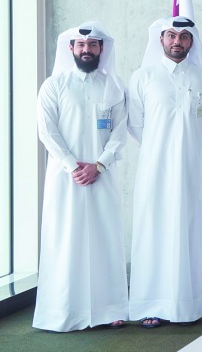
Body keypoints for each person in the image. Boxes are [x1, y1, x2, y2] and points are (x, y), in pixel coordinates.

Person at [33, 22, 129, 332]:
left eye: (92, 45)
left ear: (102, 49)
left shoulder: (113, 87)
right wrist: (73, 165)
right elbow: (47, 131)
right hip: (66, 178)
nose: (86, 50)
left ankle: (109, 310)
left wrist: (98, 165)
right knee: (66, 240)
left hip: (102, 175)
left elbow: (119, 131)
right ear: (71, 49)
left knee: (104, 240)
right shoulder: (54, 85)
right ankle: (63, 312)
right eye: (80, 45)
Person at [127, 17, 202, 328]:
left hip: (191, 169)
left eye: (184, 36)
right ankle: (150, 304)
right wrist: (161, 150)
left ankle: (187, 307)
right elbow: (136, 124)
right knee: (153, 232)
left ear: (191, 42)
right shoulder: (143, 77)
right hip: (154, 170)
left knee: (189, 232)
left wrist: (185, 150)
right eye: (171, 35)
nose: (177, 41)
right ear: (161, 39)